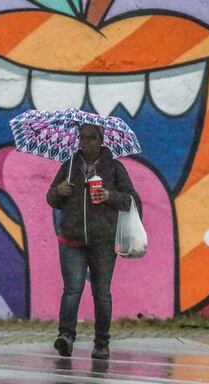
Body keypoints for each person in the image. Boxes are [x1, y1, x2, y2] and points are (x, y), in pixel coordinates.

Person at [46, 123, 141, 360]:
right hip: (71, 239)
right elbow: (51, 199)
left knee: (101, 293)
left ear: (101, 141)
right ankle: (66, 337)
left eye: (90, 138)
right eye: (82, 137)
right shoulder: (69, 167)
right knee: (72, 290)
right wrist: (59, 191)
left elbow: (132, 201)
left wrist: (110, 196)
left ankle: (101, 343)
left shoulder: (114, 168)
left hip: (103, 242)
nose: (85, 142)